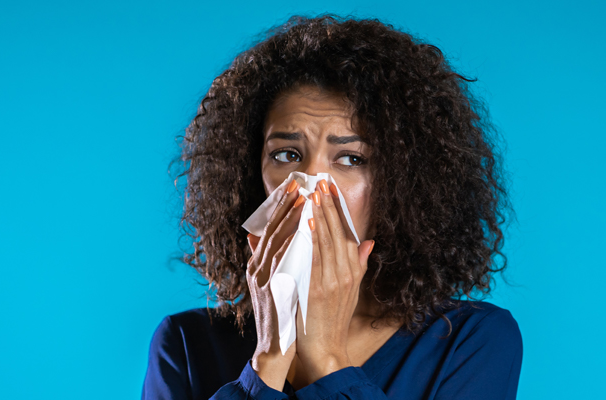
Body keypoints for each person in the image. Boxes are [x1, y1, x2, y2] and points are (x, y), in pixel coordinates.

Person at [143, 15, 522, 400]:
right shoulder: (186, 344)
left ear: (401, 184)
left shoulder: (471, 341)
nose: (310, 186)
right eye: (287, 154)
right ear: (249, 171)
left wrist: (325, 360)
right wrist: (269, 359)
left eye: (351, 159)